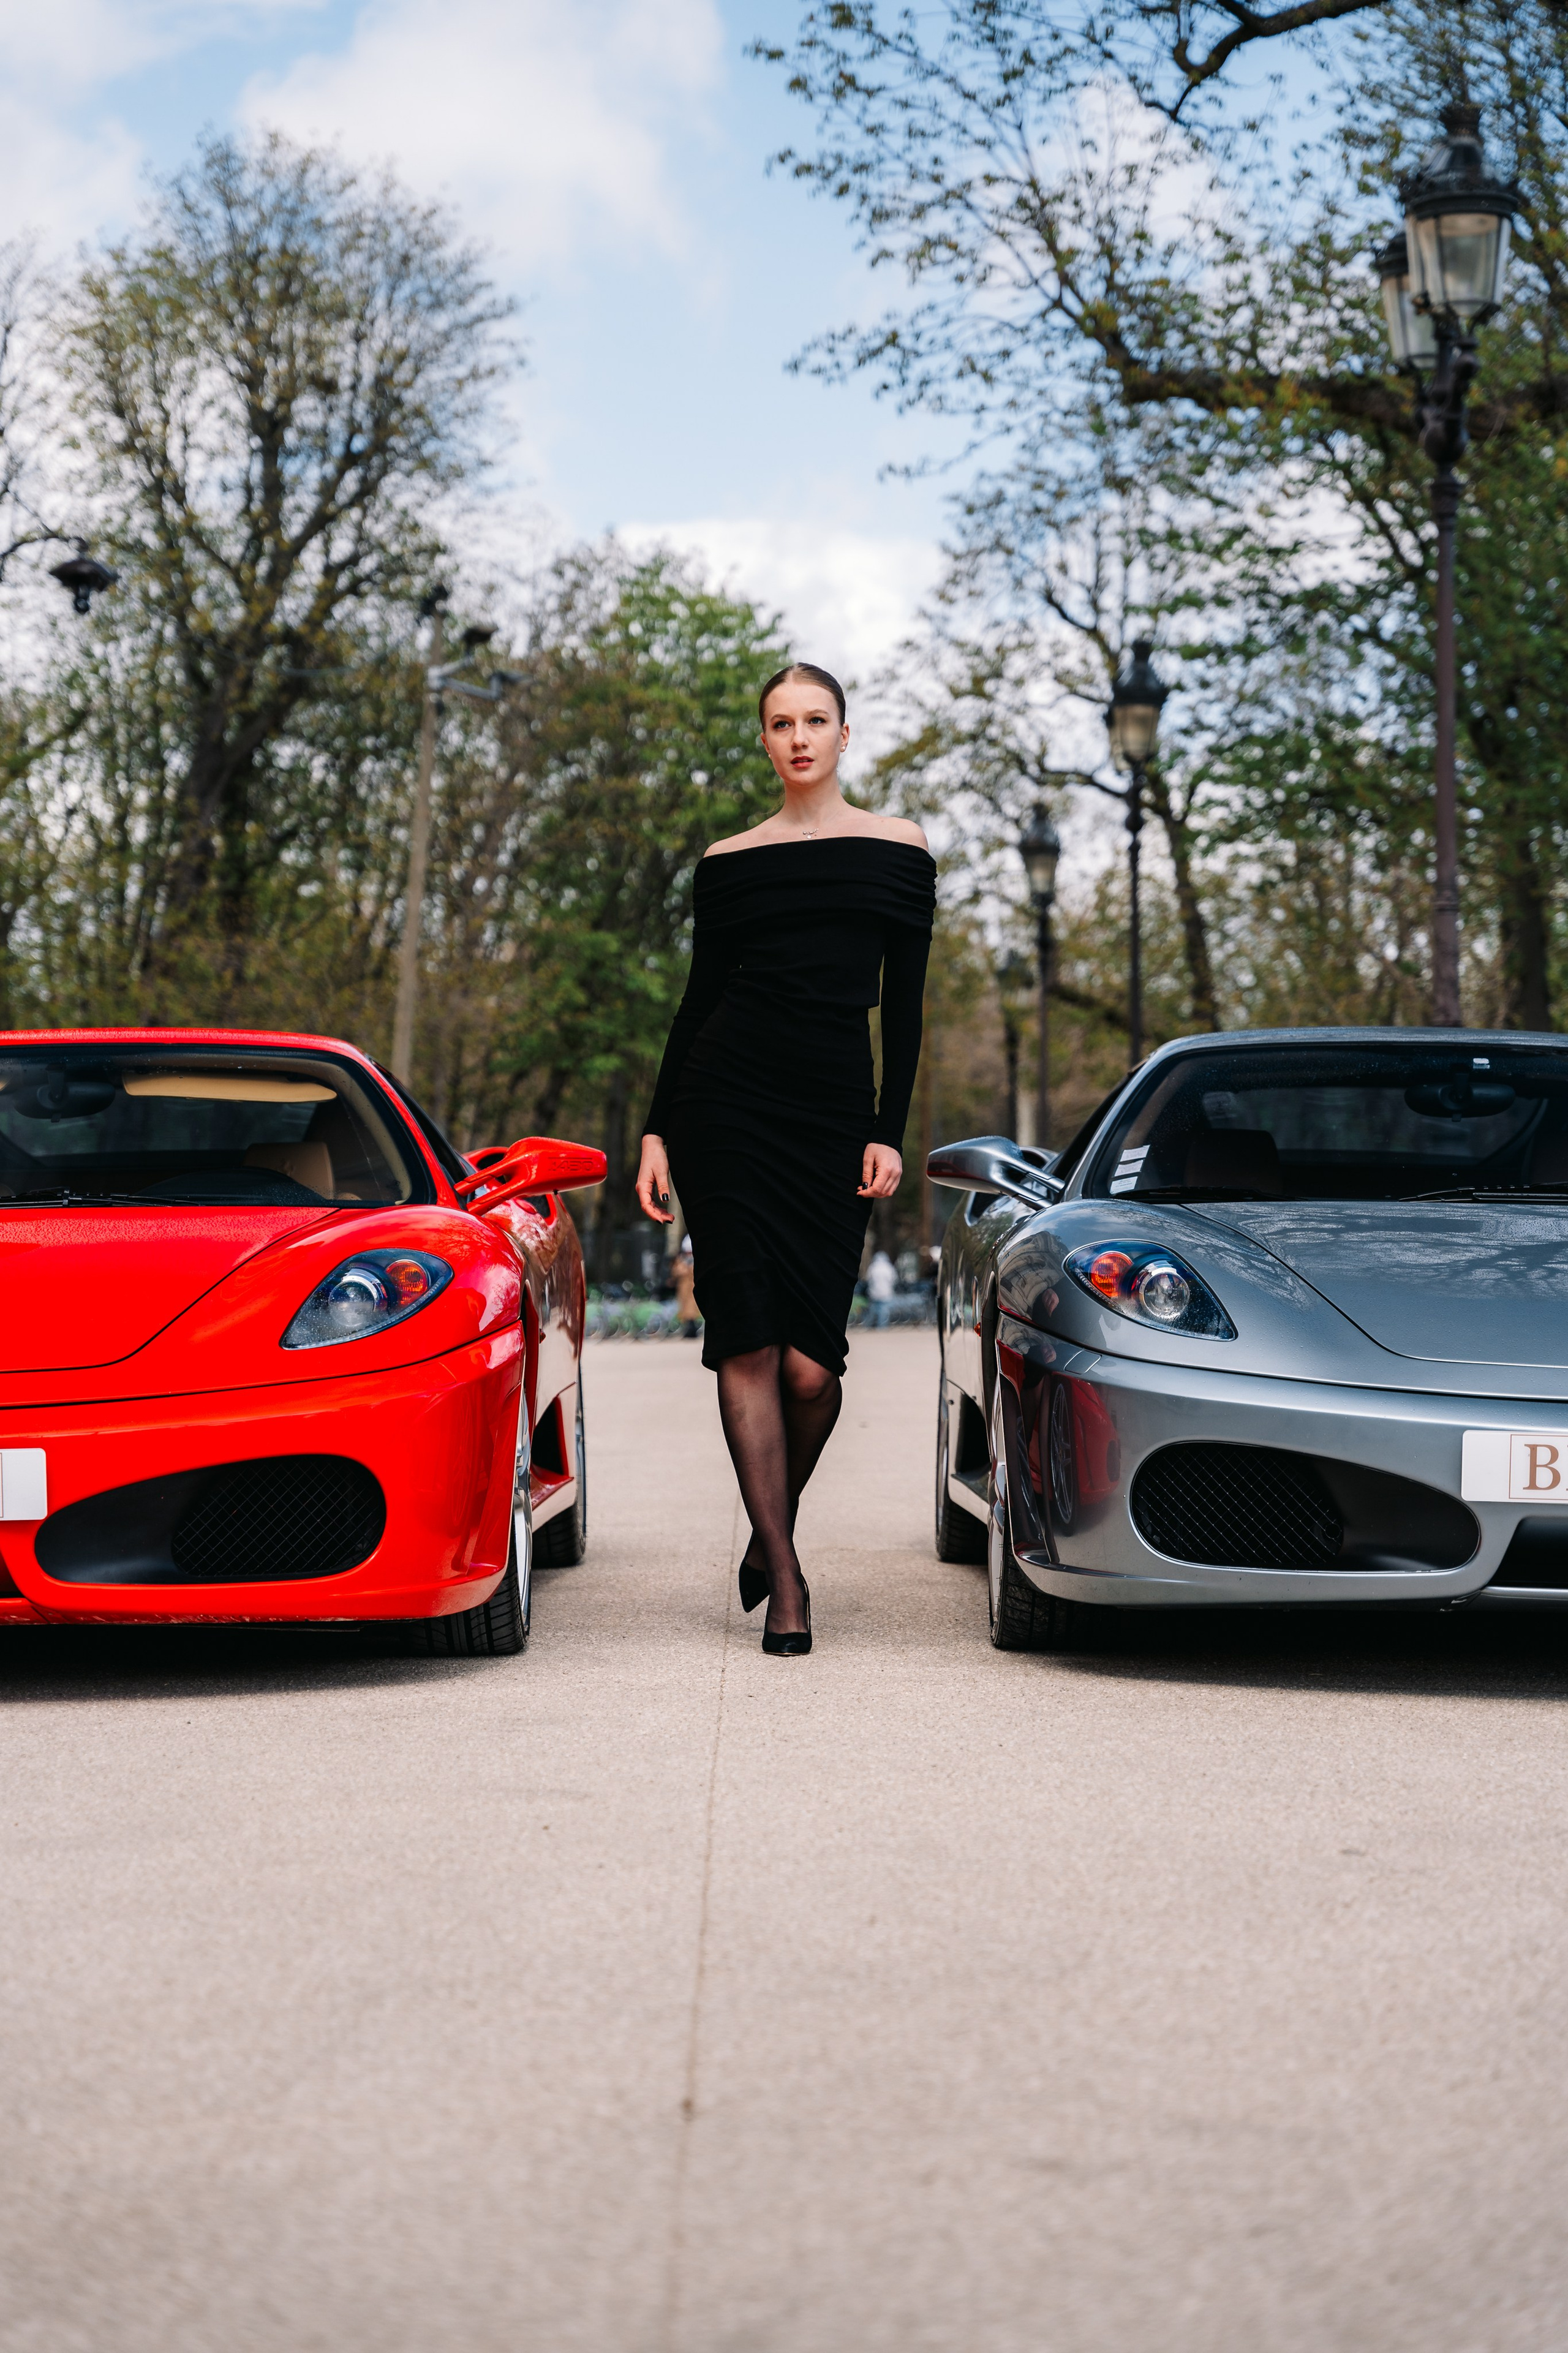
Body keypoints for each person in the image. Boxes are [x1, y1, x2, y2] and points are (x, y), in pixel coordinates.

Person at [636, 662, 935, 1656]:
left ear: (844, 734)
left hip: (830, 1117)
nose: (798, 736)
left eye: (815, 720)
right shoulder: (728, 861)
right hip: (724, 1109)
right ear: (763, 741)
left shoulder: (899, 850)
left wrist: (887, 1128)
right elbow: (696, 1000)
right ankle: (789, 1574)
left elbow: (909, 1005)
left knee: (812, 1370)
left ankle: (770, 1538)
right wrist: (655, 1128)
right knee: (749, 1341)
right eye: (780, 722)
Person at [672, 1235, 700, 1339]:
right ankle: (688, 1331)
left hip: (693, 1291)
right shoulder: (681, 1260)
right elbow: (676, 1272)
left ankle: (693, 1332)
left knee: (692, 1313)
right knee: (685, 1314)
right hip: (684, 1291)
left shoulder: (696, 1260)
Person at [865, 1248, 897, 1331]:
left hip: (874, 1293)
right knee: (884, 1312)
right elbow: (894, 1280)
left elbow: (868, 1279)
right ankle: (882, 1327)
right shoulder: (889, 1268)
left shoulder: (872, 1268)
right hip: (886, 1293)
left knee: (873, 1311)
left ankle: (869, 1326)